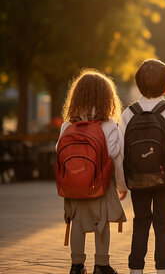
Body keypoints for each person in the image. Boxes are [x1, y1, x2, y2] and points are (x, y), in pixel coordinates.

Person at [119, 59, 165, 274]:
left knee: (140, 221)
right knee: (163, 222)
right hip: (164, 177)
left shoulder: (129, 113)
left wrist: (121, 183)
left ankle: (135, 267)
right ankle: (164, 266)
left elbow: (120, 151)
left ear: (138, 85)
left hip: (136, 177)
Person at [58, 69, 127, 274]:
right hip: (100, 186)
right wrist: (122, 185)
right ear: (108, 98)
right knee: (101, 223)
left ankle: (77, 265)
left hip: (73, 186)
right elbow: (116, 155)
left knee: (76, 224)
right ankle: (101, 264)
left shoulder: (67, 125)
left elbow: (58, 151)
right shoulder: (108, 125)